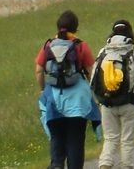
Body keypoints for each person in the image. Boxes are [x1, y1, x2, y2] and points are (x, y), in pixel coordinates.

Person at [37, 10, 97, 169]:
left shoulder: (48, 45)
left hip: (54, 100)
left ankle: (56, 164)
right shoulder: (80, 45)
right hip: (77, 101)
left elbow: (38, 69)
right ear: (75, 28)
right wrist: (93, 90)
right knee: (75, 140)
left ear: (58, 27)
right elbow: (91, 71)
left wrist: (43, 89)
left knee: (56, 135)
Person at [93, 19, 134, 169]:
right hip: (130, 101)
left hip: (107, 101)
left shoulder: (103, 52)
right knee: (127, 139)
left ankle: (105, 163)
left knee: (110, 138)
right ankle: (126, 165)